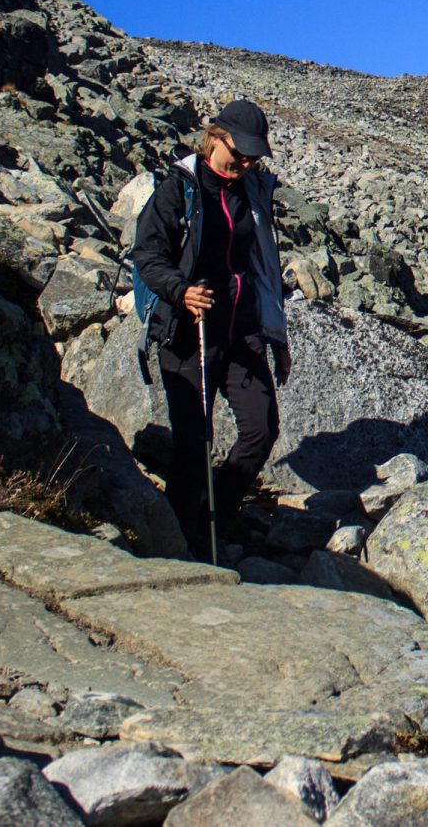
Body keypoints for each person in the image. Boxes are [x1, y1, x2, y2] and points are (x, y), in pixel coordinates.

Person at [130, 99, 292, 560]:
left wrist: (275, 335)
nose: (244, 163)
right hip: (186, 332)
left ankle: (217, 510)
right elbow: (147, 254)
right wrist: (180, 291)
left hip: (242, 332)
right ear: (214, 137)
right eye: (238, 153)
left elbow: (263, 267)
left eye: (252, 157)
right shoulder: (178, 188)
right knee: (193, 443)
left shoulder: (253, 192)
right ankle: (182, 540)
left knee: (261, 429)